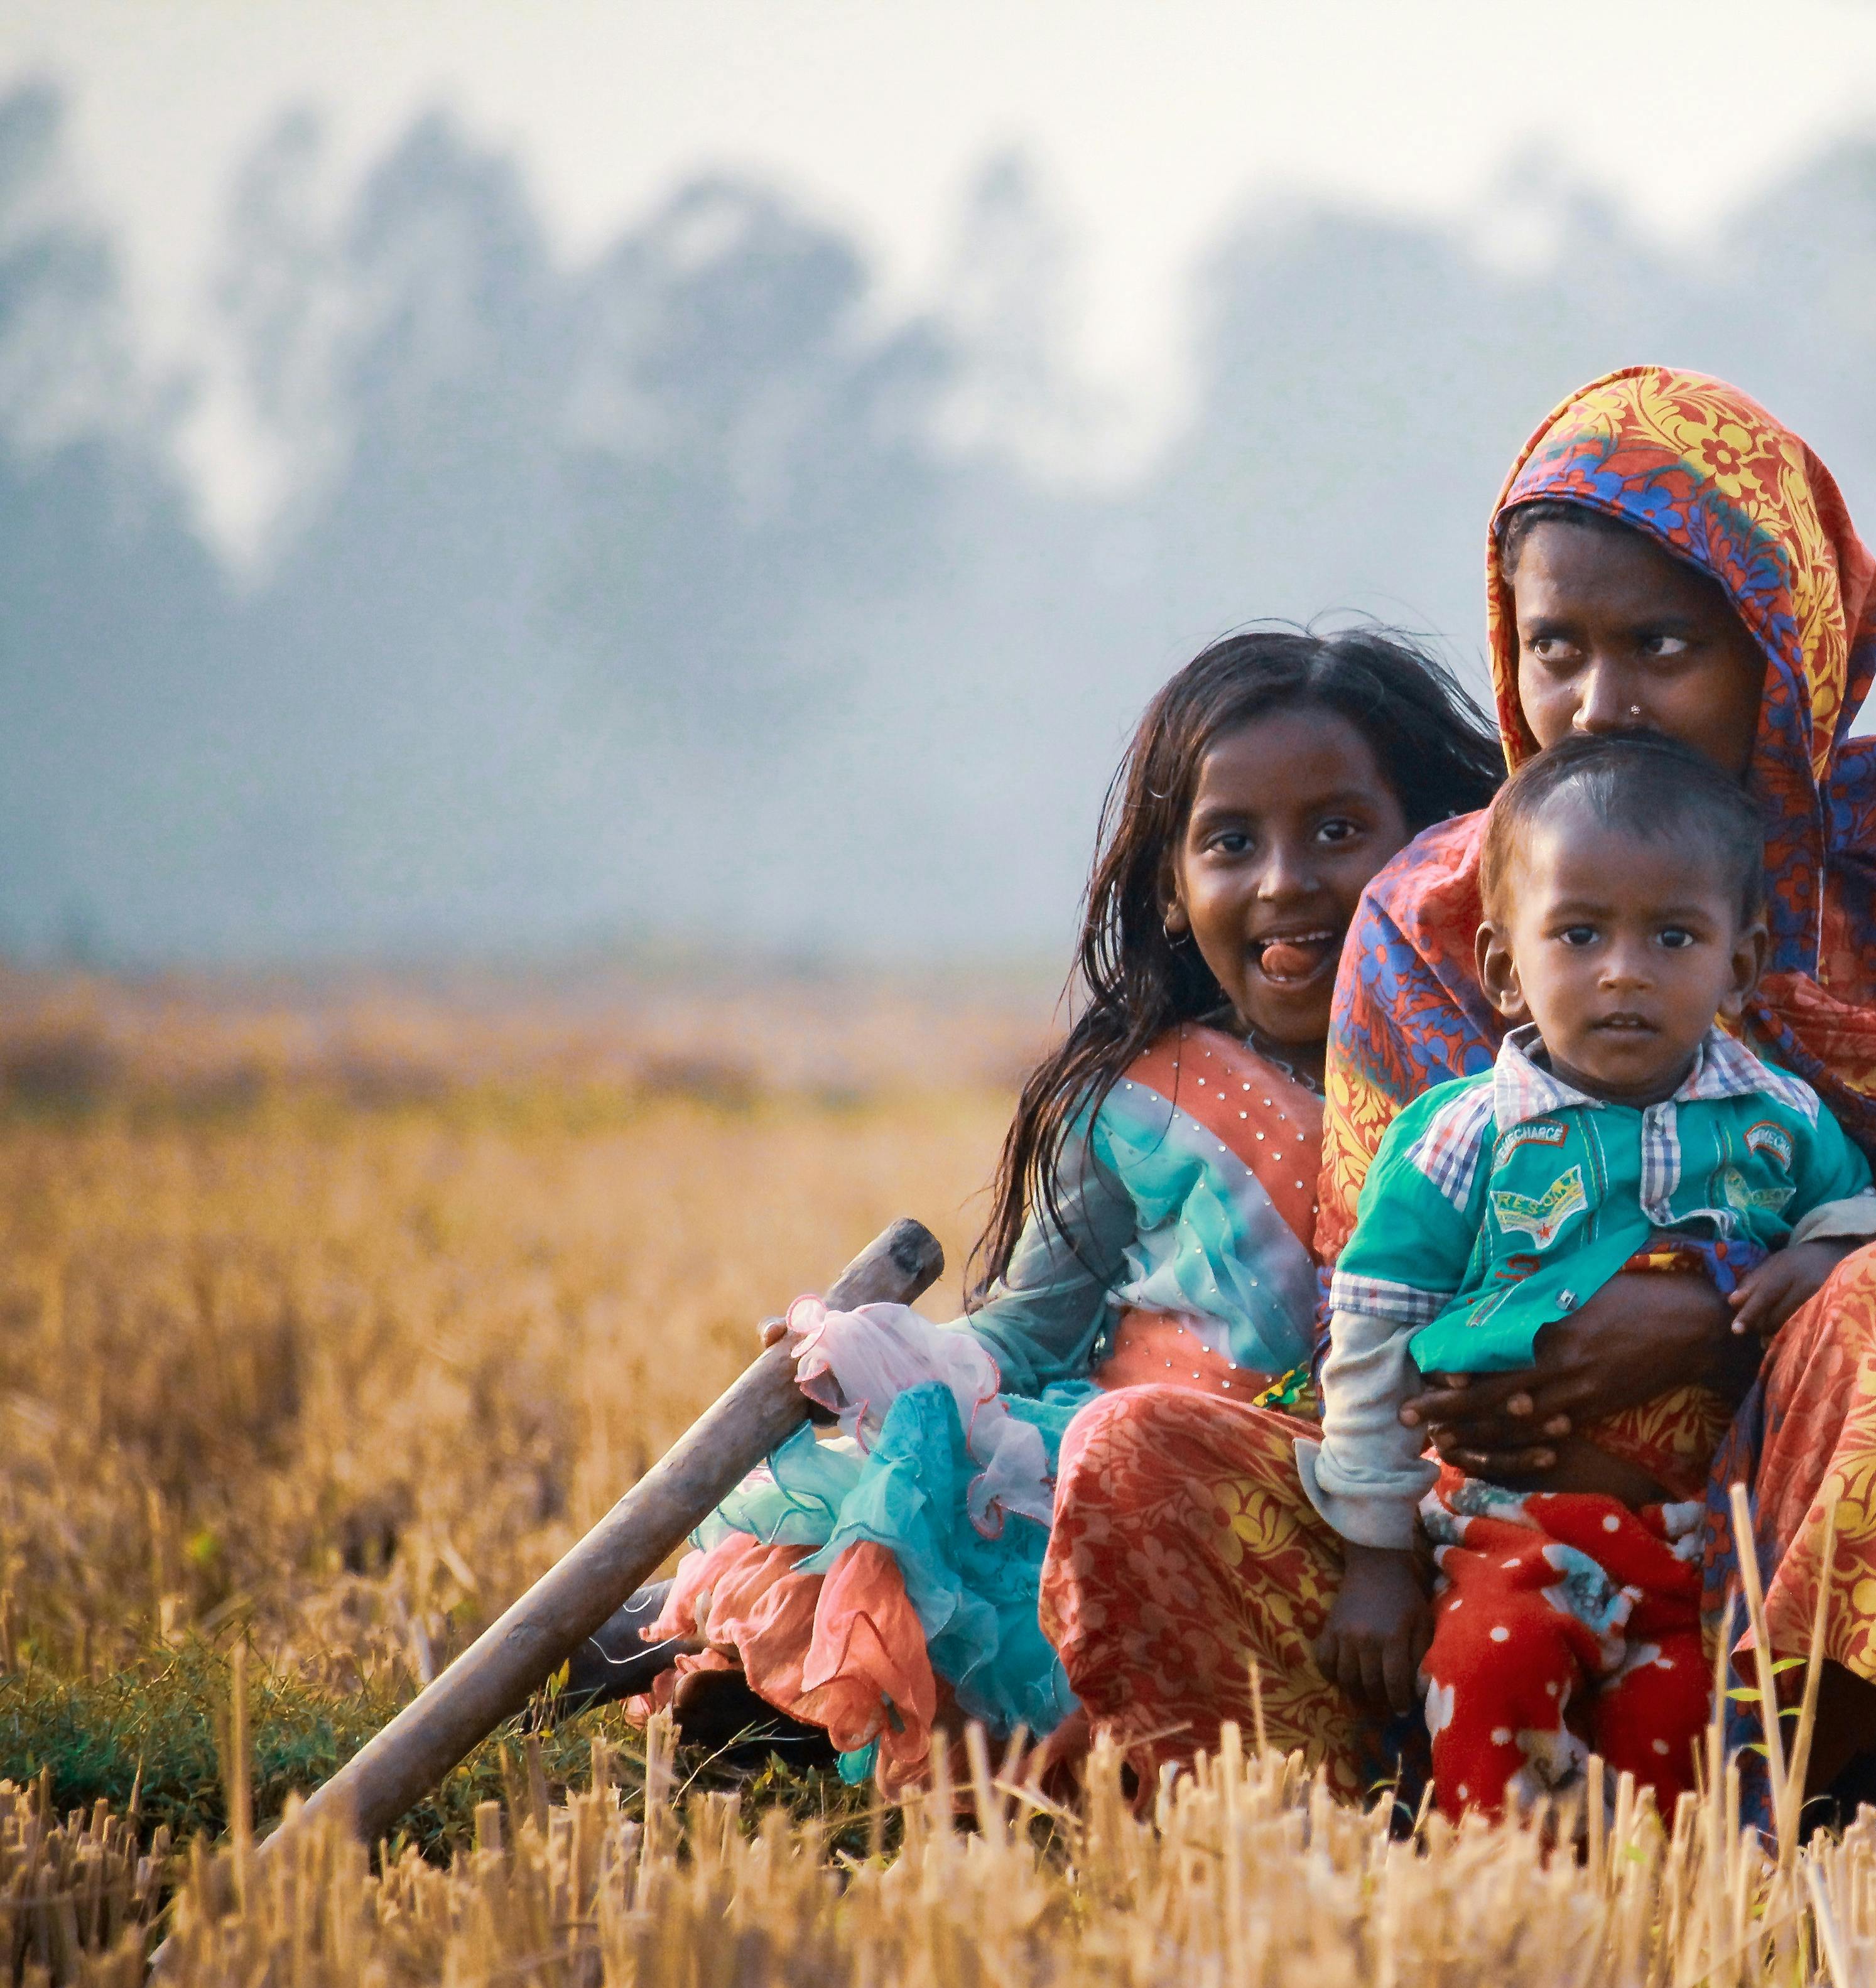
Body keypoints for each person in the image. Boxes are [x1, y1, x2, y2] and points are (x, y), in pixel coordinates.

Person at [1046, 367, 1876, 1836]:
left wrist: (1708, 1318)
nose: (1601, 702)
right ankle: (1409, 1822)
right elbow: (1384, 1305)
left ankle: (1800, 1810)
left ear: (1784, 648)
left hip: (1812, 1507)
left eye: (1663, 644)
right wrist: (1500, 1407)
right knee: (1136, 1460)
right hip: (1492, 1529)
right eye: (1557, 649)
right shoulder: (1433, 913)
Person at [554, 627, 1504, 1790]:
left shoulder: (1499, 1087)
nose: (1285, 880)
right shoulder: (1138, 1099)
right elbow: (1025, 1334)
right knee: (886, 1593)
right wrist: (874, 1357)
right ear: (1171, 888)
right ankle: (709, 1690)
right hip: (1115, 1499)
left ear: (1434, 851)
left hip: (1354, 1525)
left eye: (1339, 832)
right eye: (1231, 844)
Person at [1315, 730, 1876, 1815]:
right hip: (1510, 1532)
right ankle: (1502, 1913)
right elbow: (1369, 1333)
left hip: (1699, 1549)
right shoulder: (1465, 1138)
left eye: (1674, 935)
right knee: (1489, 1679)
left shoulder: (1779, 1122)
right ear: (1506, 968)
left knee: (1682, 1733)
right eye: (1580, 934)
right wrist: (1375, 1553)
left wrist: (1823, 1254)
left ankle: (1663, 1938)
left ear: (1740, 962)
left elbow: (1866, 1219)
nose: (1624, 971)